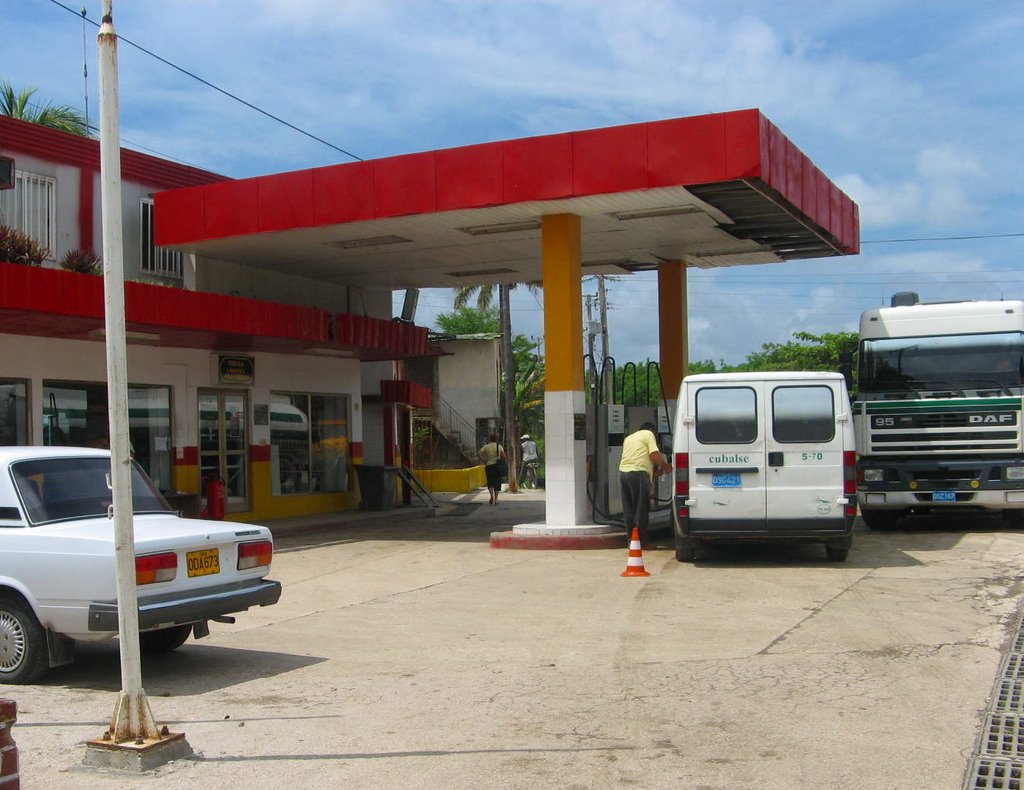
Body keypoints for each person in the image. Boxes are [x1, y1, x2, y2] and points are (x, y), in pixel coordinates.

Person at [619, 422, 672, 544]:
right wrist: (666, 466)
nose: (656, 438)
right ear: (651, 430)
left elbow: (638, 458)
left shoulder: (629, 438)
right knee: (641, 508)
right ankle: (641, 542)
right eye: (656, 435)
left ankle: (631, 540)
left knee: (629, 509)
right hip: (638, 474)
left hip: (624, 473)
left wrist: (656, 473)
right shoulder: (649, 434)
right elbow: (654, 455)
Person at [478, 432, 507, 505]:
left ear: (490, 439)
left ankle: (491, 496)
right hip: (497, 466)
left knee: (490, 482)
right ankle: (496, 499)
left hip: (489, 466)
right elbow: (504, 456)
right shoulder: (499, 446)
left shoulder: (486, 446)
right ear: (496, 439)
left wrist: (484, 460)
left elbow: (479, 453)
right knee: (497, 482)